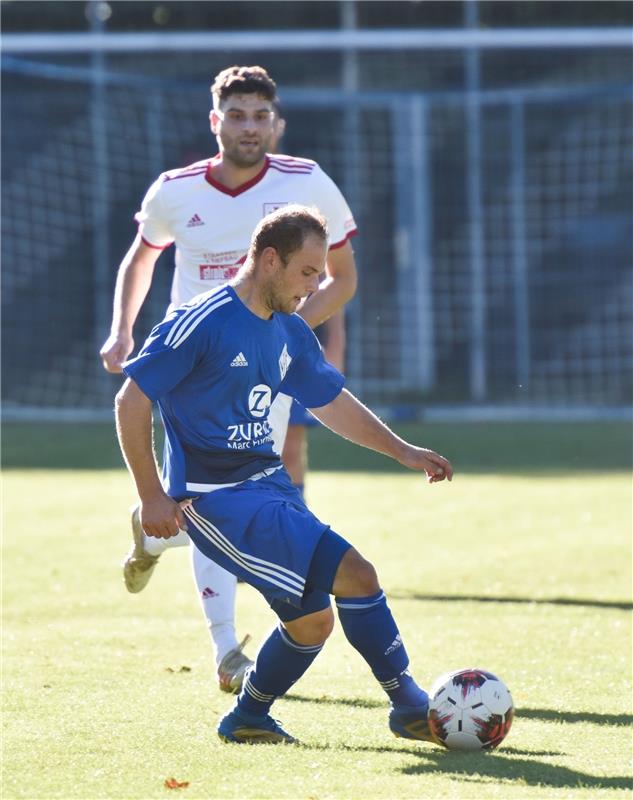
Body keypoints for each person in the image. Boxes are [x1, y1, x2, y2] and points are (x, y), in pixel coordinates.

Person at [115, 204, 453, 745]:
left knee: (311, 625)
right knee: (358, 575)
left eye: (319, 274)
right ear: (269, 260)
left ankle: (247, 718)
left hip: (268, 485)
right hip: (216, 497)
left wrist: (403, 451)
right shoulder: (201, 322)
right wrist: (152, 496)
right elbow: (131, 400)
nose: (315, 285)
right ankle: (408, 704)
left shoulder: (289, 330)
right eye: (307, 272)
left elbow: (330, 400)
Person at [99, 66, 358, 693]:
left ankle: (152, 538)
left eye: (260, 116)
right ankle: (226, 651)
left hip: (262, 371)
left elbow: (342, 279)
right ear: (215, 121)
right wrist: (122, 329)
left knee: (234, 497)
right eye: (236, 115)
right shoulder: (175, 191)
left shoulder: (308, 183)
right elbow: (142, 256)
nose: (249, 127)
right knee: (201, 499)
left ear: (276, 123)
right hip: (193, 368)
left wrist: (283, 334)